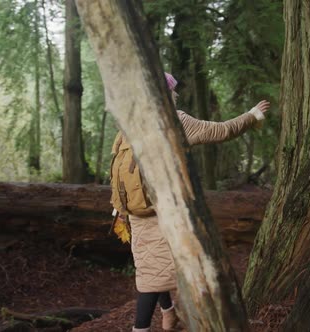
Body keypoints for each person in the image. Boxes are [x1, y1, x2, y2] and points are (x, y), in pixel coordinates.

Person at [110, 72, 270, 331]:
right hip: (164, 213)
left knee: (153, 269)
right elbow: (220, 130)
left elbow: (119, 170)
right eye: (173, 90)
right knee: (153, 279)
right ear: (168, 93)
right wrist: (252, 116)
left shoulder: (128, 123)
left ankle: (169, 313)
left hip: (135, 212)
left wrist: (117, 208)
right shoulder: (175, 121)